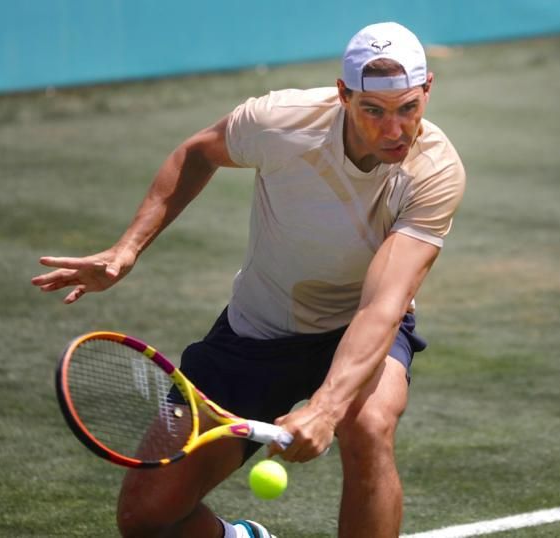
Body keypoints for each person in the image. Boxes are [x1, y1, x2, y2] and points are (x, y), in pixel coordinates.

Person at [31, 21, 465, 538]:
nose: (393, 129)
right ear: (344, 94)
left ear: (427, 90)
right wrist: (127, 249)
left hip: (360, 327)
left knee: (367, 424)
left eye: (407, 108)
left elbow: (382, 306)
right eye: (373, 110)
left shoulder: (435, 170)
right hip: (258, 330)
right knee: (146, 518)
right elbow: (198, 152)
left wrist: (327, 407)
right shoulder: (281, 121)